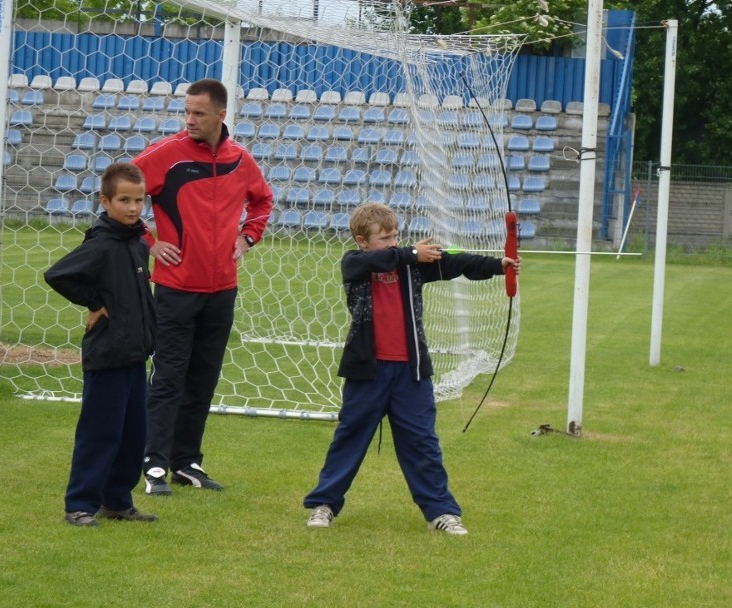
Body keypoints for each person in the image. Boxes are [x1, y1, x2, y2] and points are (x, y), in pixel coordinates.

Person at [303, 203, 521, 535]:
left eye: (396, 236)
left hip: (411, 373)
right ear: (362, 241)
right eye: (385, 237)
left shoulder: (412, 265)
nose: (393, 242)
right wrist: (409, 252)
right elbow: (371, 262)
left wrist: (497, 264)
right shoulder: (356, 262)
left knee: (422, 442)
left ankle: (441, 512)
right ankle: (324, 505)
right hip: (367, 372)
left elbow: (455, 261)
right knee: (350, 437)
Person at [132, 78, 273, 495]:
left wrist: (247, 238)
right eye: (187, 112)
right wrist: (151, 241)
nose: (190, 120)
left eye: (199, 113)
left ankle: (187, 462)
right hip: (176, 288)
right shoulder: (166, 156)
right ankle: (153, 465)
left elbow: (262, 201)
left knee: (203, 378)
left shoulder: (239, 159)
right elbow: (117, 191)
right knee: (169, 377)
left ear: (221, 116)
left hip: (223, 288)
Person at [44, 163, 158, 527]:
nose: (133, 208)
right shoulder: (102, 243)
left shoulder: (139, 243)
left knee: (132, 434)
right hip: (107, 355)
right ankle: (79, 504)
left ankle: (117, 501)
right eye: (124, 200)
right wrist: (94, 301)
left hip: (135, 354)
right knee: (100, 433)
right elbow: (58, 274)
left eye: (139, 200)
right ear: (105, 201)